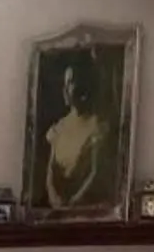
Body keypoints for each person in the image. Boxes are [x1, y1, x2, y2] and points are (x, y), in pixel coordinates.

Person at [41, 59, 113, 210]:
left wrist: (73, 204)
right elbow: (50, 171)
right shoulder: (59, 127)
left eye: (71, 82)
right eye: (65, 83)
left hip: (85, 207)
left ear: (84, 86)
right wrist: (55, 199)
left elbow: (96, 173)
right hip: (58, 207)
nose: (65, 89)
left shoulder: (97, 126)